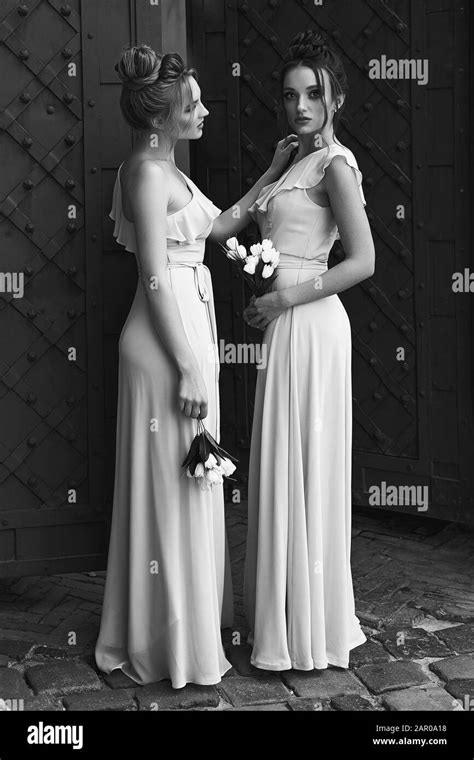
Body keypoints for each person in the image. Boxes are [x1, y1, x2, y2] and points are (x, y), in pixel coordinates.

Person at [94, 44, 297, 689]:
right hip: (163, 347)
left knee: (192, 483)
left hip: (188, 337)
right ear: (163, 119)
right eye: (194, 105)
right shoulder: (147, 175)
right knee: (174, 486)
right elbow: (154, 274)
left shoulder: (171, 172)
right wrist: (188, 368)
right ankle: (167, 647)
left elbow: (223, 226)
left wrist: (272, 171)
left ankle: (187, 636)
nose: (204, 111)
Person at [242, 29, 375, 671]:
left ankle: (312, 627)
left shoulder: (335, 165)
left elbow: (365, 261)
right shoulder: (290, 162)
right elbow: (229, 229)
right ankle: (284, 621)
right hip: (283, 324)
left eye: (312, 94)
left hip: (313, 325)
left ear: (334, 97)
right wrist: (270, 171)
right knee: (281, 466)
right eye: (291, 94)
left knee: (309, 468)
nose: (300, 105)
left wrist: (284, 301)